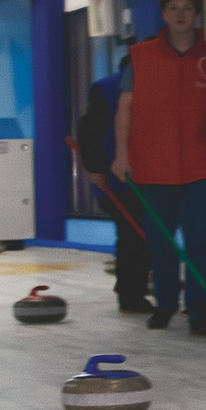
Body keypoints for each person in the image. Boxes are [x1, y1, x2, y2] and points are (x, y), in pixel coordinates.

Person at [109, 0, 206, 333]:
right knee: (162, 242)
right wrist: (121, 156)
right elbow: (125, 108)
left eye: (186, 8)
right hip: (152, 165)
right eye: (173, 9)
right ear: (164, 15)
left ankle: (199, 313)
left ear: (197, 14)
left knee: (200, 240)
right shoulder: (141, 56)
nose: (180, 15)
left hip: (201, 164)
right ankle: (165, 305)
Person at [73, 68, 153, 315]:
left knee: (142, 236)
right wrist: (96, 169)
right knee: (133, 237)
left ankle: (127, 285)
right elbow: (89, 132)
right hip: (118, 178)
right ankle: (131, 297)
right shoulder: (108, 89)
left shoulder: (160, 83)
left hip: (151, 177)